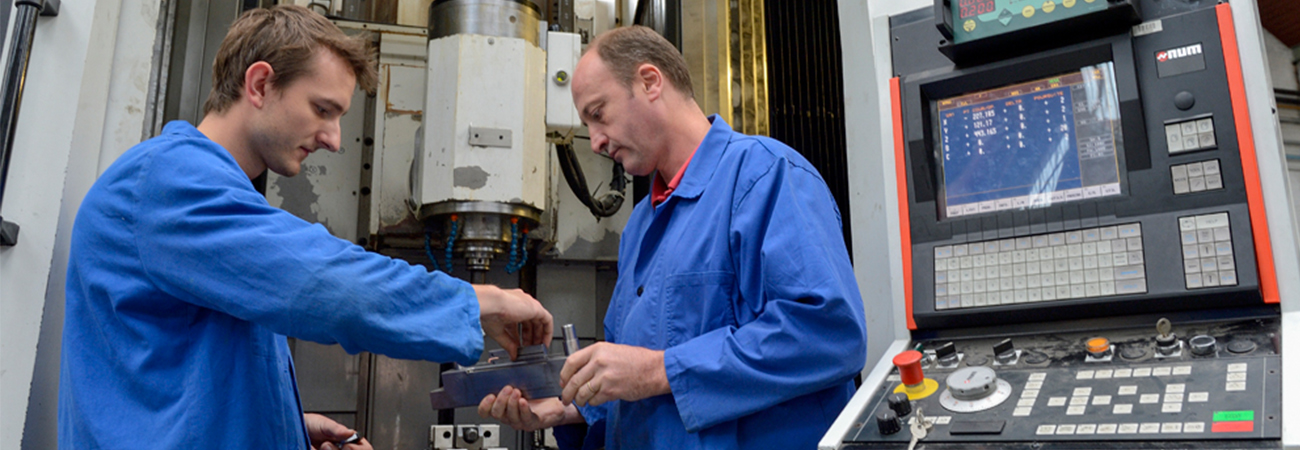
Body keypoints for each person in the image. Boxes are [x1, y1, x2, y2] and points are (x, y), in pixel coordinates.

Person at [58, 5, 552, 449]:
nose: (335, 140)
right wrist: (476, 301)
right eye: (322, 110)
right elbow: (320, 280)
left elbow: (191, 371)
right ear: (259, 84)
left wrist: (285, 425)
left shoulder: (205, 190)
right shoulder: (166, 183)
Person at [478, 25, 867, 449]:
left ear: (649, 82)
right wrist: (571, 408)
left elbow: (829, 333)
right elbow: (635, 388)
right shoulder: (640, 226)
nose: (594, 142)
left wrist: (659, 370)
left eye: (598, 113)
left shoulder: (765, 176)